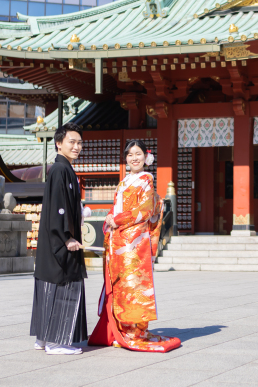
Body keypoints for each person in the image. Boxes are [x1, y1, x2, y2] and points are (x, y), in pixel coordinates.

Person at [88, 139, 181, 352]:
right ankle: (120, 330)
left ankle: (135, 331)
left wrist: (118, 220)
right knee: (120, 284)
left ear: (145, 157)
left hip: (135, 242)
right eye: (130, 155)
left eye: (138, 154)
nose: (134, 158)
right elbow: (116, 207)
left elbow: (145, 209)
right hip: (119, 239)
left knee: (134, 285)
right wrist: (110, 218)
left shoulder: (146, 179)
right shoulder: (124, 181)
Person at [30, 122, 90, 356]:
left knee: (49, 286)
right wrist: (66, 237)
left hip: (53, 240)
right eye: (71, 142)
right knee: (63, 285)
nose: (77, 147)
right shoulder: (60, 169)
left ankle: (44, 337)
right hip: (60, 241)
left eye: (79, 143)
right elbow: (59, 207)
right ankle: (56, 342)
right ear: (58, 143)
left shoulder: (63, 169)